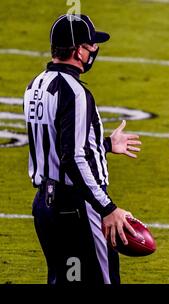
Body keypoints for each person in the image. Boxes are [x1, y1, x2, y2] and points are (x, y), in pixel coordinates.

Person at [23, 14, 142, 284]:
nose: (94, 51)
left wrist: (107, 145)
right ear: (77, 50)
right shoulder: (75, 92)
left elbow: (58, 145)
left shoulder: (34, 86)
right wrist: (108, 208)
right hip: (76, 208)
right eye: (91, 46)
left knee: (64, 280)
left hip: (45, 205)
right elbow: (72, 158)